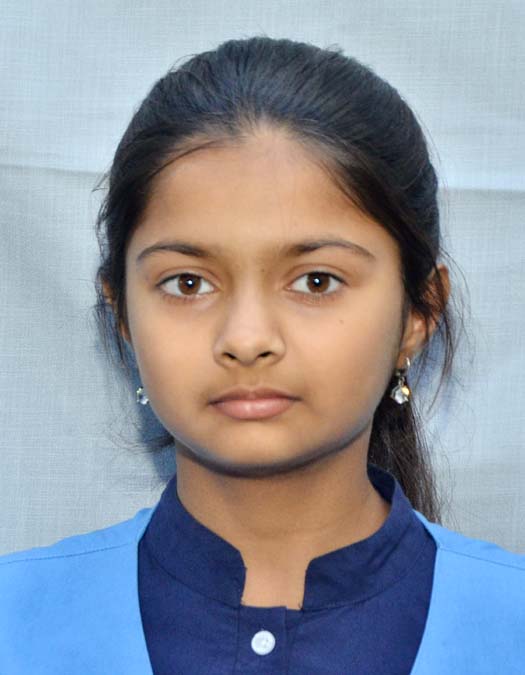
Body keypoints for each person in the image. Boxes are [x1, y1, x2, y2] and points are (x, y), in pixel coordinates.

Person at [0, 35, 523, 675]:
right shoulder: (14, 621)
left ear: (418, 314)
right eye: (187, 283)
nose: (247, 339)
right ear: (124, 318)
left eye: (316, 281)